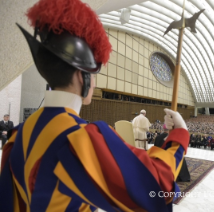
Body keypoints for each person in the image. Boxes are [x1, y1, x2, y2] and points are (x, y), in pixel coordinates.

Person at [0, 1, 189, 211]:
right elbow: (156, 188)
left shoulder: (19, 135)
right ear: (84, 78)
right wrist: (179, 134)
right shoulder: (76, 138)